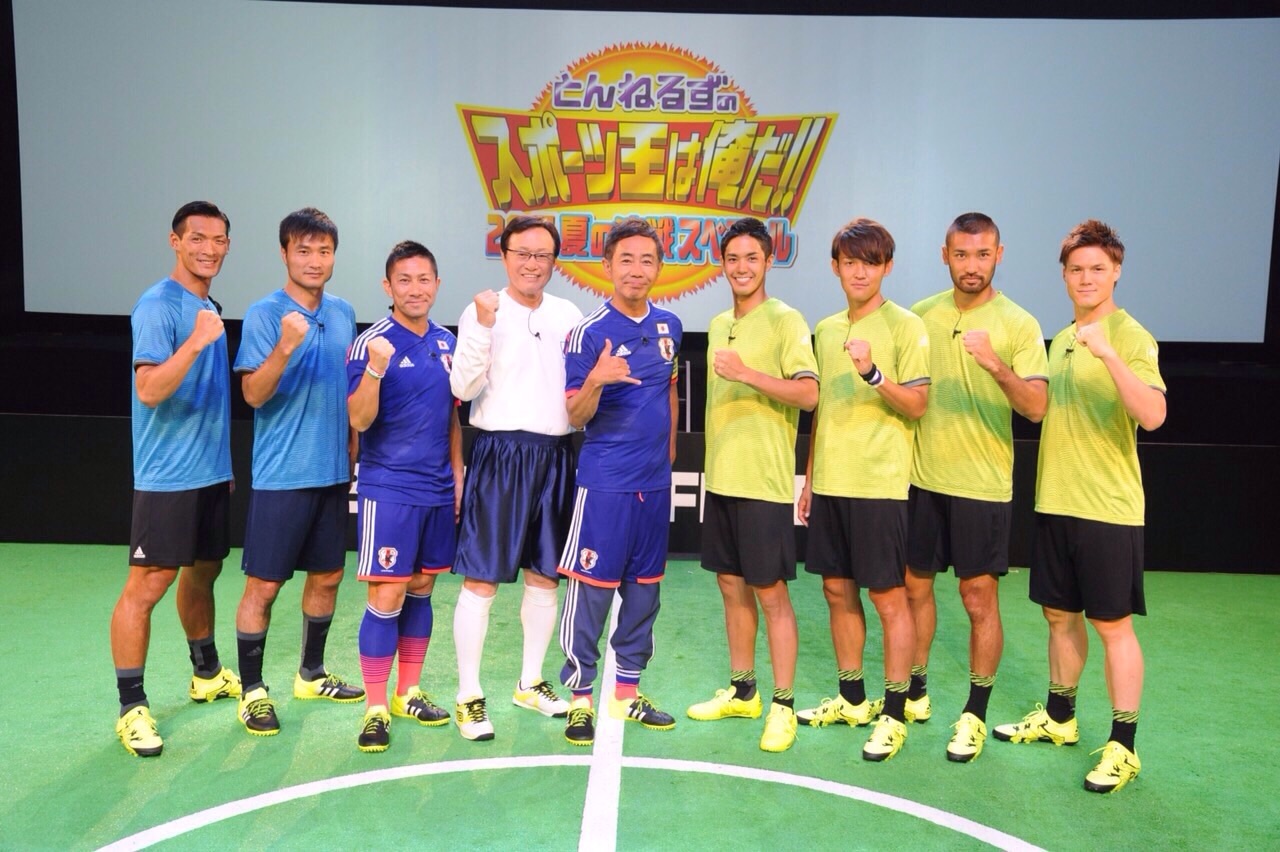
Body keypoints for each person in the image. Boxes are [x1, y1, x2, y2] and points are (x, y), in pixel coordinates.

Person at [993, 219, 1165, 794]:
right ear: (1064, 275)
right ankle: (1060, 717)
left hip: (1108, 509)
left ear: (1116, 272)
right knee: (1058, 615)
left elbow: (1153, 415)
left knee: (1112, 625)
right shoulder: (1062, 338)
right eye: (1076, 269)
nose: (1086, 278)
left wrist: (1110, 355)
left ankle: (1124, 746)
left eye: (1097, 268)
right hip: (1056, 501)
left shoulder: (1130, 336)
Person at [904, 213, 1048, 762]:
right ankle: (915, 691)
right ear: (946, 256)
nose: (972, 265)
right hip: (921, 478)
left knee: (977, 597)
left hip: (982, 485)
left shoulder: (1019, 324)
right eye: (961, 255)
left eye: (982, 254)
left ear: (998, 255)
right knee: (914, 588)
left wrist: (996, 366)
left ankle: (975, 713)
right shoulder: (920, 315)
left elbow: (1036, 407)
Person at [797, 217, 929, 762]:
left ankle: (894, 713)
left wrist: (874, 374)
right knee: (836, 591)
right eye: (850, 262)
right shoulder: (826, 329)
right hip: (831, 483)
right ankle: (853, 699)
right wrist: (810, 479)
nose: (859, 272)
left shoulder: (906, 326)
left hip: (881, 485)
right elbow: (822, 411)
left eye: (870, 263)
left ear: (887, 267)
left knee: (887, 598)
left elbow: (918, 404)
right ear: (835, 267)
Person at [111, 201, 240, 757]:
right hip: (168, 477)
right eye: (198, 238)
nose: (209, 249)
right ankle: (131, 708)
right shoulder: (158, 305)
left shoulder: (207, 305)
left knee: (204, 570)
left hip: (209, 472)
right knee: (147, 586)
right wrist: (194, 341)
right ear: (175, 241)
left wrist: (223, 469)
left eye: (218, 240)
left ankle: (206, 672)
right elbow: (148, 390)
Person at [449, 215, 584, 741]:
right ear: (504, 256)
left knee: (545, 576)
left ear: (554, 262)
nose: (532, 263)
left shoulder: (568, 314)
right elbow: (462, 387)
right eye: (522, 253)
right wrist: (484, 325)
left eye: (542, 255)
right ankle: (468, 695)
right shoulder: (481, 309)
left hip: (556, 453)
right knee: (481, 579)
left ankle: (530, 681)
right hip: (500, 454)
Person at [685, 217, 817, 753]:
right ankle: (744, 692)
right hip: (722, 479)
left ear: (769, 260)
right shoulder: (719, 323)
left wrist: (747, 374)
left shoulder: (787, 320)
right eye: (733, 258)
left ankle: (783, 705)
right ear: (723, 263)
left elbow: (808, 394)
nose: (741, 268)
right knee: (730, 586)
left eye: (751, 258)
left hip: (764, 483)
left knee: (771, 594)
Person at [232, 207, 362, 737]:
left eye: (323, 251)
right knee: (264, 586)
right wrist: (286, 345)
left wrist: (353, 452)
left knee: (327, 577)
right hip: (282, 475)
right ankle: (252, 691)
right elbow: (252, 394)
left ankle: (311, 673)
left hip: (333, 474)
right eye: (303, 250)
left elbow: (350, 390)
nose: (314, 260)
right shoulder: (265, 315)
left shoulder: (344, 312)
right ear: (285, 253)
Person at [557, 216, 683, 746]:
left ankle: (627, 692)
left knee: (644, 591)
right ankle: (580, 697)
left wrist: (668, 456)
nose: (636, 269)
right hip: (605, 484)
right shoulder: (587, 333)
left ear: (659, 268)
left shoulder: (670, 326)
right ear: (607, 266)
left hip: (653, 486)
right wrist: (597, 379)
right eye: (626, 259)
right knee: (591, 592)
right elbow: (574, 416)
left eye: (646, 260)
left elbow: (669, 390)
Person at [347, 241, 463, 752]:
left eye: (424, 279)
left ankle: (406, 692)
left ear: (437, 284)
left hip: (437, 489)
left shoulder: (447, 342)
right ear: (387, 286)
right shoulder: (370, 344)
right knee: (387, 593)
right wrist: (376, 369)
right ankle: (375, 707)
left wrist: (457, 477)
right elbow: (358, 419)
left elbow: (451, 418)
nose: (415, 289)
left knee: (421, 587)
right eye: (404, 280)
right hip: (389, 488)